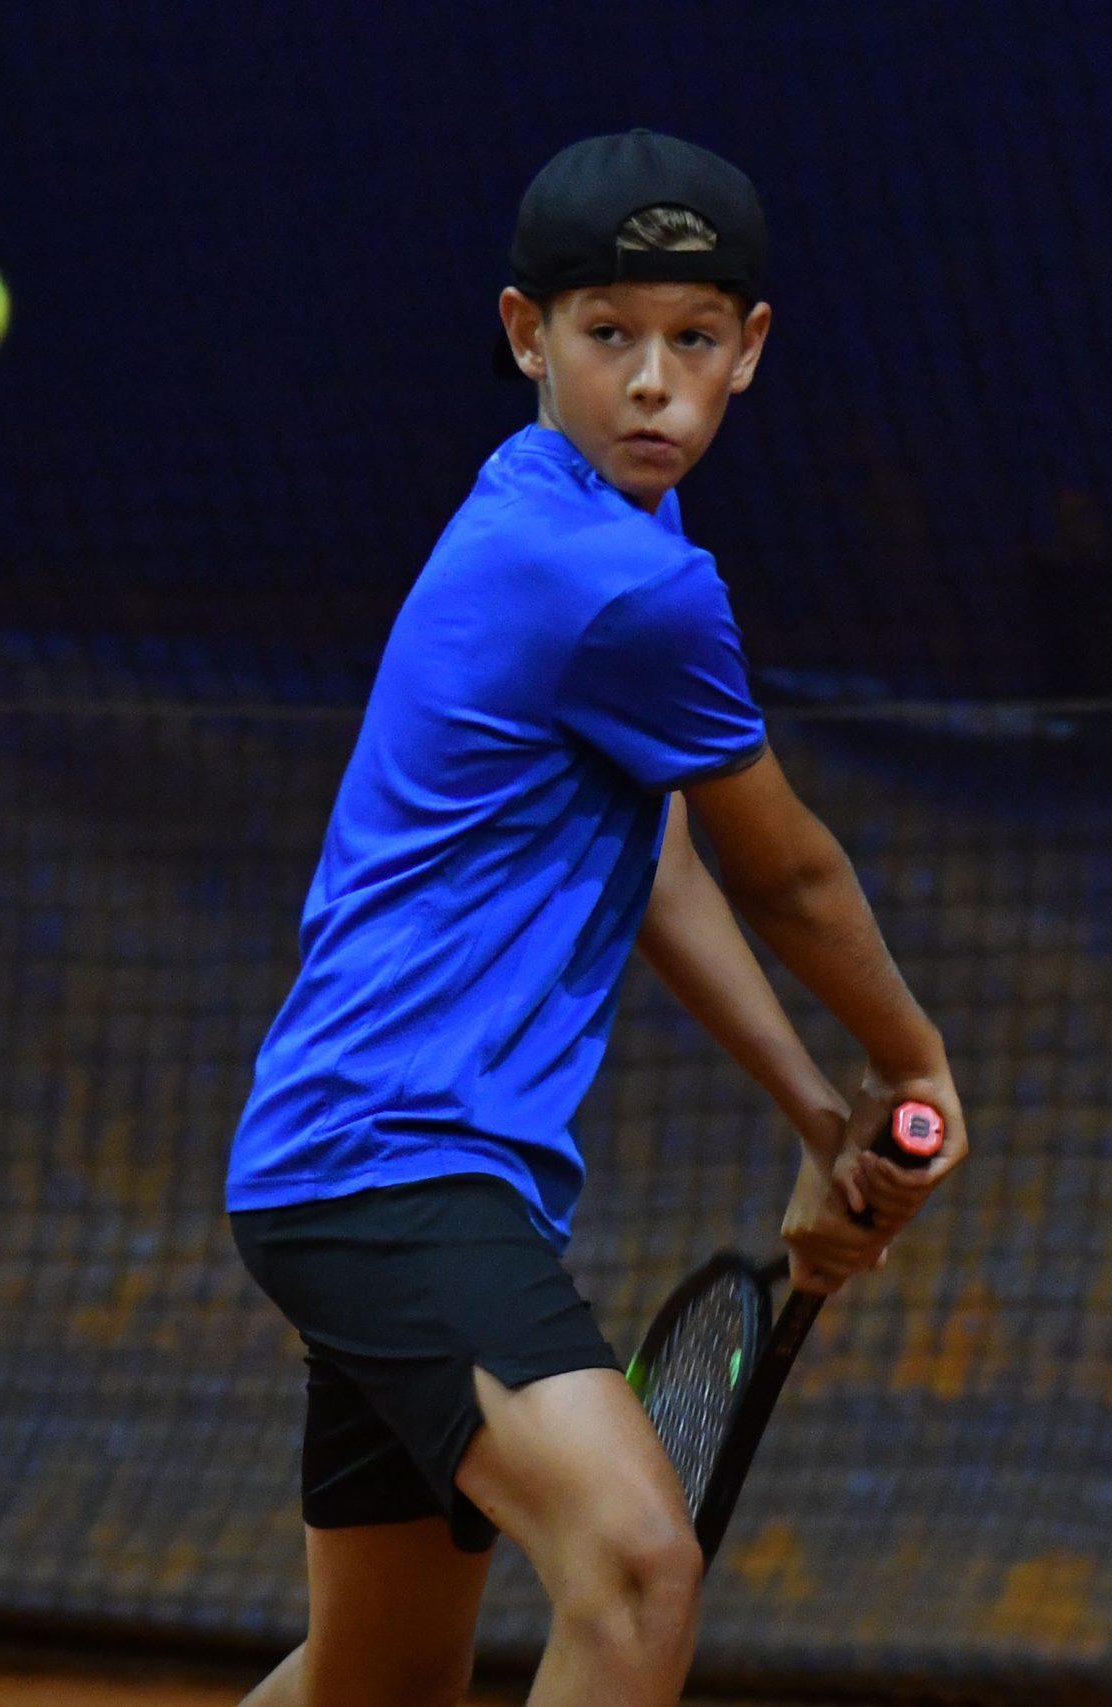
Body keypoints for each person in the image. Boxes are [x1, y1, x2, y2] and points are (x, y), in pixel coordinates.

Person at [223, 129, 969, 1707]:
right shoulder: (618, 584)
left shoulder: (579, 515)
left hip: (360, 1165)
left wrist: (820, 1111)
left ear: (748, 352)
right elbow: (791, 873)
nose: (650, 381)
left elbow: (668, 869)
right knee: (636, 1573)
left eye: (691, 339)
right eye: (605, 333)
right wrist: (913, 1062)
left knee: (377, 1680)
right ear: (525, 336)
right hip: (393, 1165)